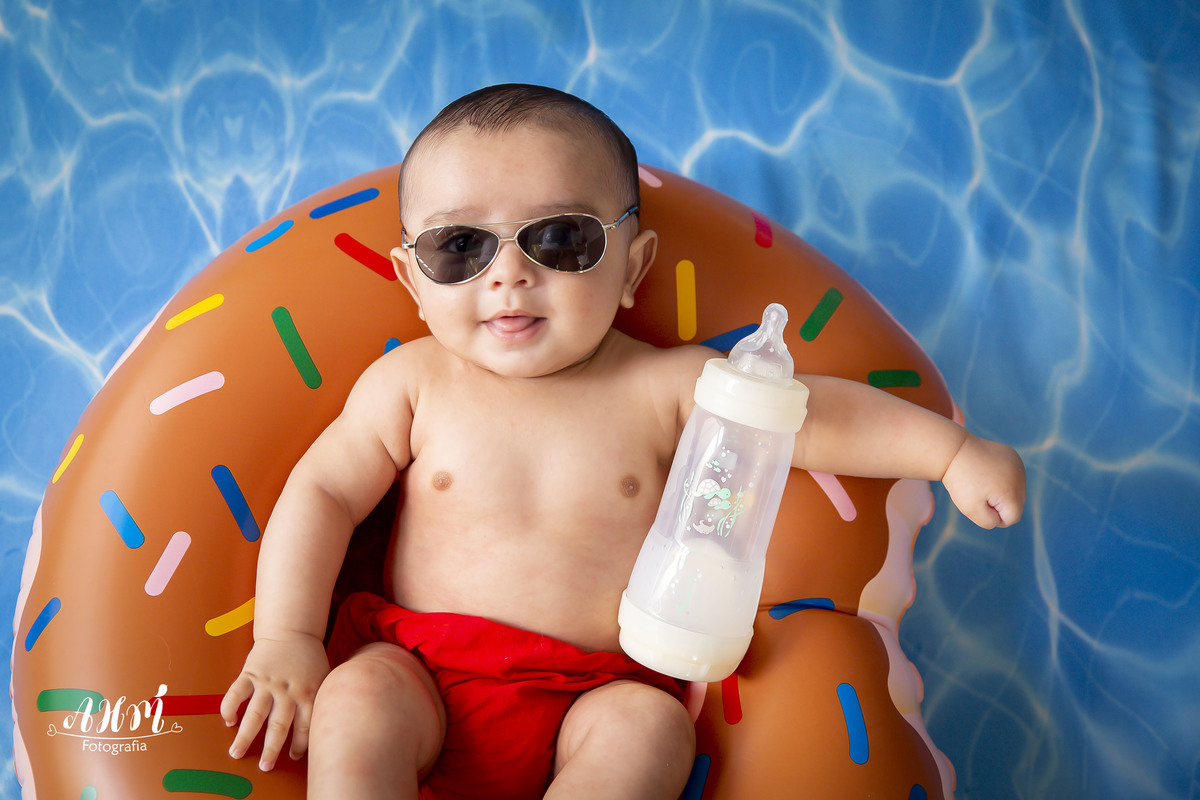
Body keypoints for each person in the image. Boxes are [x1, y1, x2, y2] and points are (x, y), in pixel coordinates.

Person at [220, 83, 1025, 800]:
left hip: (596, 691)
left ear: (633, 269)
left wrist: (949, 452)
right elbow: (323, 493)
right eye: (459, 247)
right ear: (412, 281)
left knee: (652, 729)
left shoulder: (665, 388)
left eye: (561, 241)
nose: (509, 274)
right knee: (358, 699)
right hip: (421, 670)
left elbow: (804, 417)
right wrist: (287, 639)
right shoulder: (412, 384)